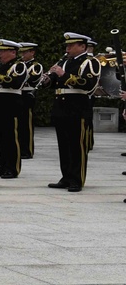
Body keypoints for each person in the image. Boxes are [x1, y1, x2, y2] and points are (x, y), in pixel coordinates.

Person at [39, 32, 100, 193]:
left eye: (71, 45)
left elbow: (87, 84)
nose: (67, 48)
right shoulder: (65, 62)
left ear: (82, 46)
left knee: (77, 145)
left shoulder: (90, 62)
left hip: (78, 108)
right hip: (62, 107)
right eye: (67, 45)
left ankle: (76, 179)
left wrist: (62, 74)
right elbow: (54, 83)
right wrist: (47, 79)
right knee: (64, 145)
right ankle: (66, 177)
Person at [0, 39, 27, 179]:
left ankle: (13, 167)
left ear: (13, 52)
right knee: (0, 137)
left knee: (10, 137)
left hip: (10, 105)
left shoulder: (19, 66)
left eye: (2, 51)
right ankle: (3, 164)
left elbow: (15, 82)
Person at [18, 42, 43, 159]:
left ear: (32, 52)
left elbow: (32, 79)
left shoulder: (36, 66)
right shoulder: (18, 65)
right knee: (18, 123)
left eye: (25, 52)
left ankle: (27, 150)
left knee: (26, 123)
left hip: (27, 94)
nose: (22, 54)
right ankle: (19, 148)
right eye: (22, 52)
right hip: (18, 94)